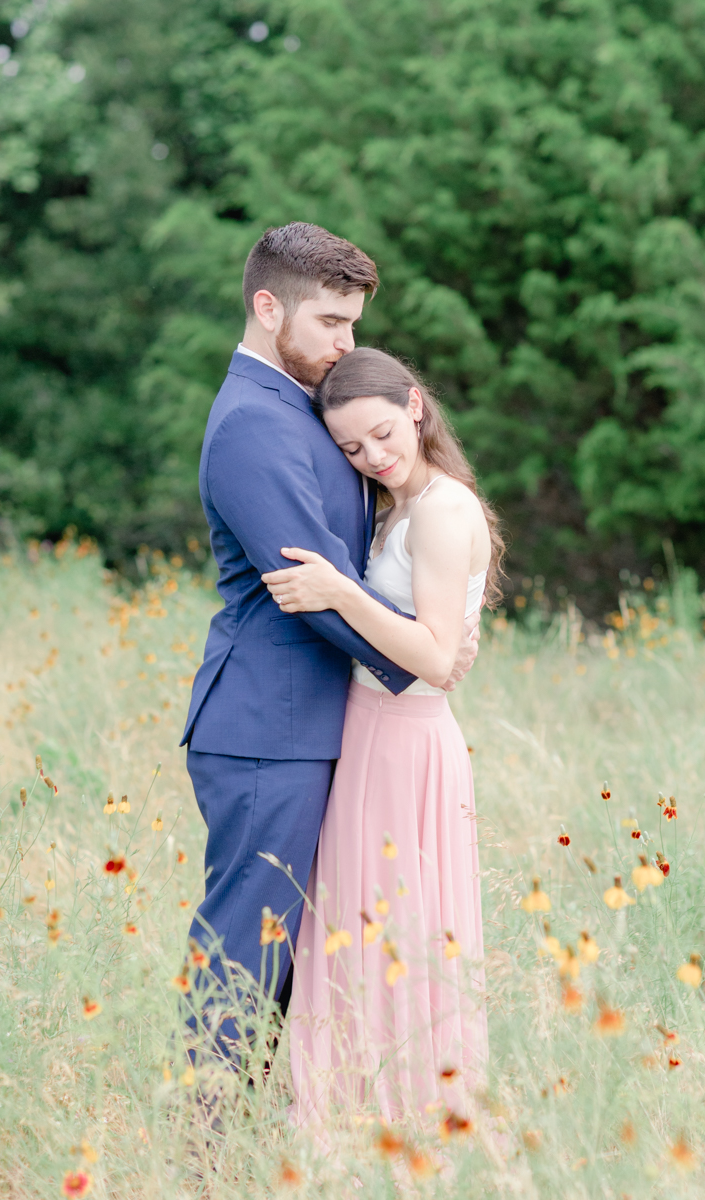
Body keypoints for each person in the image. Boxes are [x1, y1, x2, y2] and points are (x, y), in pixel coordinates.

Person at [180, 224, 480, 1069]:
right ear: (267, 306)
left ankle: (269, 1121)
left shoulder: (298, 404)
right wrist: (422, 658)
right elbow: (302, 580)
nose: (346, 344)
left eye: (353, 324)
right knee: (247, 947)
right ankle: (207, 1150)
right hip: (264, 729)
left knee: (299, 952)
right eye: (331, 324)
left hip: (317, 724)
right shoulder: (250, 421)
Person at [261, 348, 505, 1122]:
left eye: (381, 433)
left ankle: (403, 1113)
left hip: (406, 743)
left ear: (415, 406)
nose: (373, 455)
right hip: (369, 731)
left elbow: (433, 656)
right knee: (354, 923)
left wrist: (338, 589)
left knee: (398, 928)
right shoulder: (399, 506)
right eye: (352, 449)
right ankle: (348, 1103)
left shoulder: (442, 508)